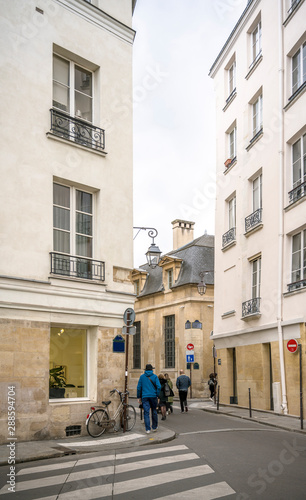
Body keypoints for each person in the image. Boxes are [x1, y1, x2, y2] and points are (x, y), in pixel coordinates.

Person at [137, 364, 161, 434]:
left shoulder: (142, 377)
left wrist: (138, 397)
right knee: (154, 411)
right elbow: (159, 387)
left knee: (146, 412)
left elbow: (139, 388)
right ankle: (154, 427)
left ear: (145, 370)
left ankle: (147, 429)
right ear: (151, 370)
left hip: (145, 397)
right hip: (153, 396)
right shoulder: (155, 376)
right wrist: (157, 394)